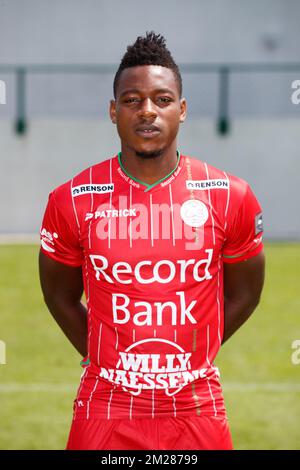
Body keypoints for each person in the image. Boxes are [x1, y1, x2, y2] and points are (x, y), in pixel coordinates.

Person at [39, 32, 265, 450]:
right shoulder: (71, 199)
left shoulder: (229, 194)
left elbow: (246, 294)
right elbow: (59, 297)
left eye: (162, 100)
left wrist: (195, 355)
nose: (147, 111)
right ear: (113, 111)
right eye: (132, 100)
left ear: (182, 110)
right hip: (106, 403)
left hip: (196, 405)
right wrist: (102, 355)